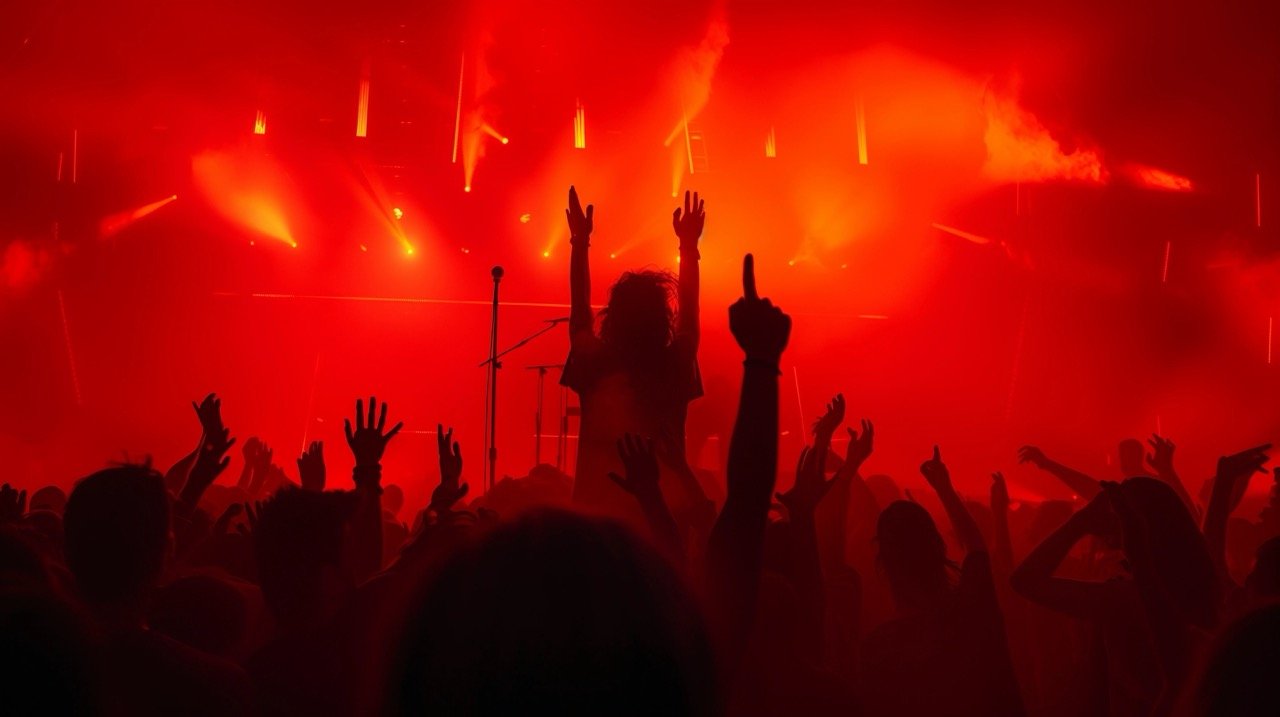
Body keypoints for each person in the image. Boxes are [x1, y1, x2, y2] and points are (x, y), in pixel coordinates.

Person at [561, 186, 709, 525]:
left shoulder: (597, 366)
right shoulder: (673, 366)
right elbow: (690, 317)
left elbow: (579, 316)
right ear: (661, 320)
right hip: (661, 524)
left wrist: (580, 242)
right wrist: (688, 247)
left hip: (593, 524)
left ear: (613, 317)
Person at [859, 447, 1025, 717]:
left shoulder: (879, 648)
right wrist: (944, 489)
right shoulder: (971, 612)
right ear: (938, 546)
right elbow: (977, 551)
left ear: (884, 563)